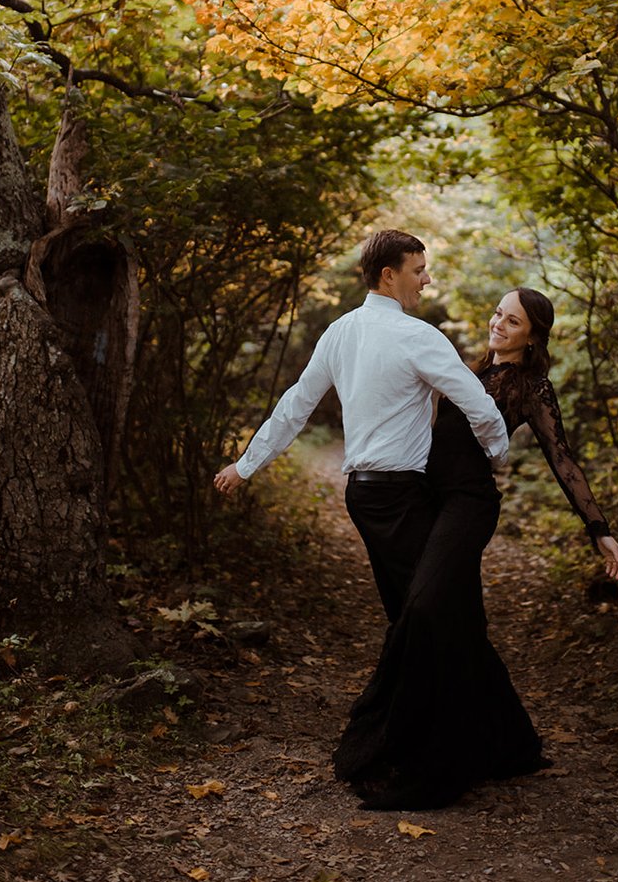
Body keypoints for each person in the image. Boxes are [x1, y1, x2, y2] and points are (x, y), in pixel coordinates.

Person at [332, 285, 618, 811]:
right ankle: (507, 742)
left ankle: (436, 762)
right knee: (454, 620)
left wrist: (598, 528)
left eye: (513, 322)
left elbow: (563, 460)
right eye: (498, 314)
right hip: (424, 499)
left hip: (468, 507)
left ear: (534, 335)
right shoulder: (463, 370)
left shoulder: (531, 386)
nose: (499, 325)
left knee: (425, 610)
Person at [213, 229, 509, 624]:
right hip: (404, 497)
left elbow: (295, 406)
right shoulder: (419, 336)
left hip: (362, 498)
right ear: (389, 275)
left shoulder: (339, 332)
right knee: (433, 611)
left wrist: (245, 465)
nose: (427, 280)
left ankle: (417, 681)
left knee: (406, 609)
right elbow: (480, 406)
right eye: (419, 271)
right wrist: (498, 454)